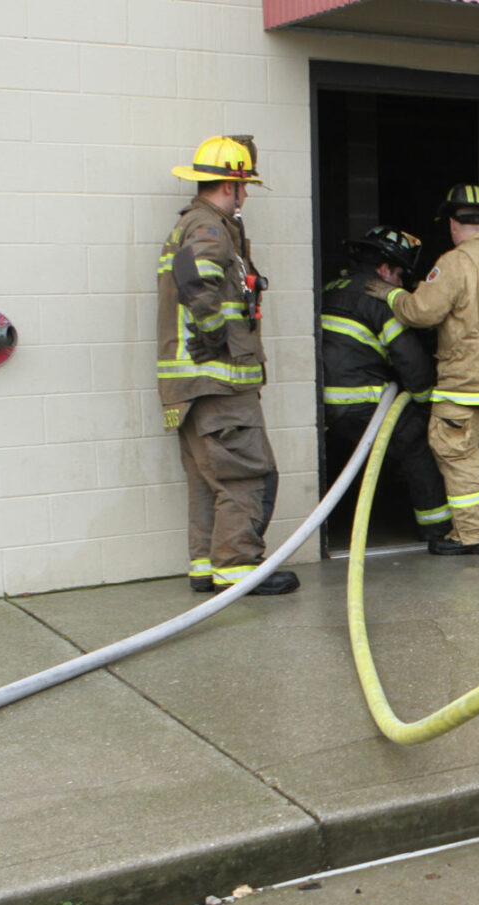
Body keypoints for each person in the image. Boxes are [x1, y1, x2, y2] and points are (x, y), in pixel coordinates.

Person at [156, 135, 299, 595]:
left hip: (191, 389)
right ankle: (237, 568)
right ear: (231, 186)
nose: (247, 196)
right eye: (245, 187)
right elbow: (197, 280)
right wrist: (215, 332)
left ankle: (206, 566)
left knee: (207, 480)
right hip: (218, 384)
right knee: (244, 474)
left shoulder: (194, 224)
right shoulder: (210, 229)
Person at [365, 184, 479, 556]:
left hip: (466, 385)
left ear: (454, 224)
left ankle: (471, 536)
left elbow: (422, 313)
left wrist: (391, 295)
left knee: (457, 455)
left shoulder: (455, 262)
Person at [321, 226, 451, 542]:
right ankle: (438, 529)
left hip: (322, 405)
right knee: (415, 440)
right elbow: (409, 360)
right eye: (400, 276)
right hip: (362, 400)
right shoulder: (378, 300)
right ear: (383, 270)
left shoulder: (329, 289)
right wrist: (425, 399)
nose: (401, 285)